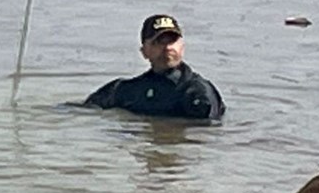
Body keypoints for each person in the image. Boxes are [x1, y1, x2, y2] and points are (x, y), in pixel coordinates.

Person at [84, 14, 225, 119]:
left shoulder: (197, 93)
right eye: (159, 41)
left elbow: (207, 136)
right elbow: (81, 111)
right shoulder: (124, 90)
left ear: (182, 47)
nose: (168, 47)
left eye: (172, 41)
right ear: (144, 51)